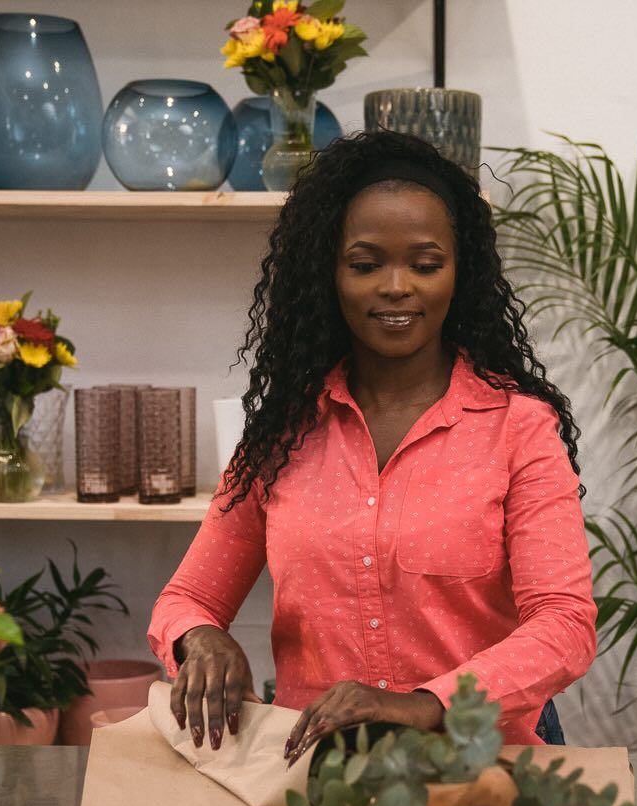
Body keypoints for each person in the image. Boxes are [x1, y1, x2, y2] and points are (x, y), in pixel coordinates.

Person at [147, 130, 594, 764]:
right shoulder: (283, 434)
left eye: (425, 263)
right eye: (364, 264)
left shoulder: (518, 428)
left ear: (459, 273)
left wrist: (424, 703)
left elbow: (564, 626)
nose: (396, 286)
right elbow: (186, 599)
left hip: (482, 778)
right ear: (327, 274)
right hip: (320, 782)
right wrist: (198, 638)